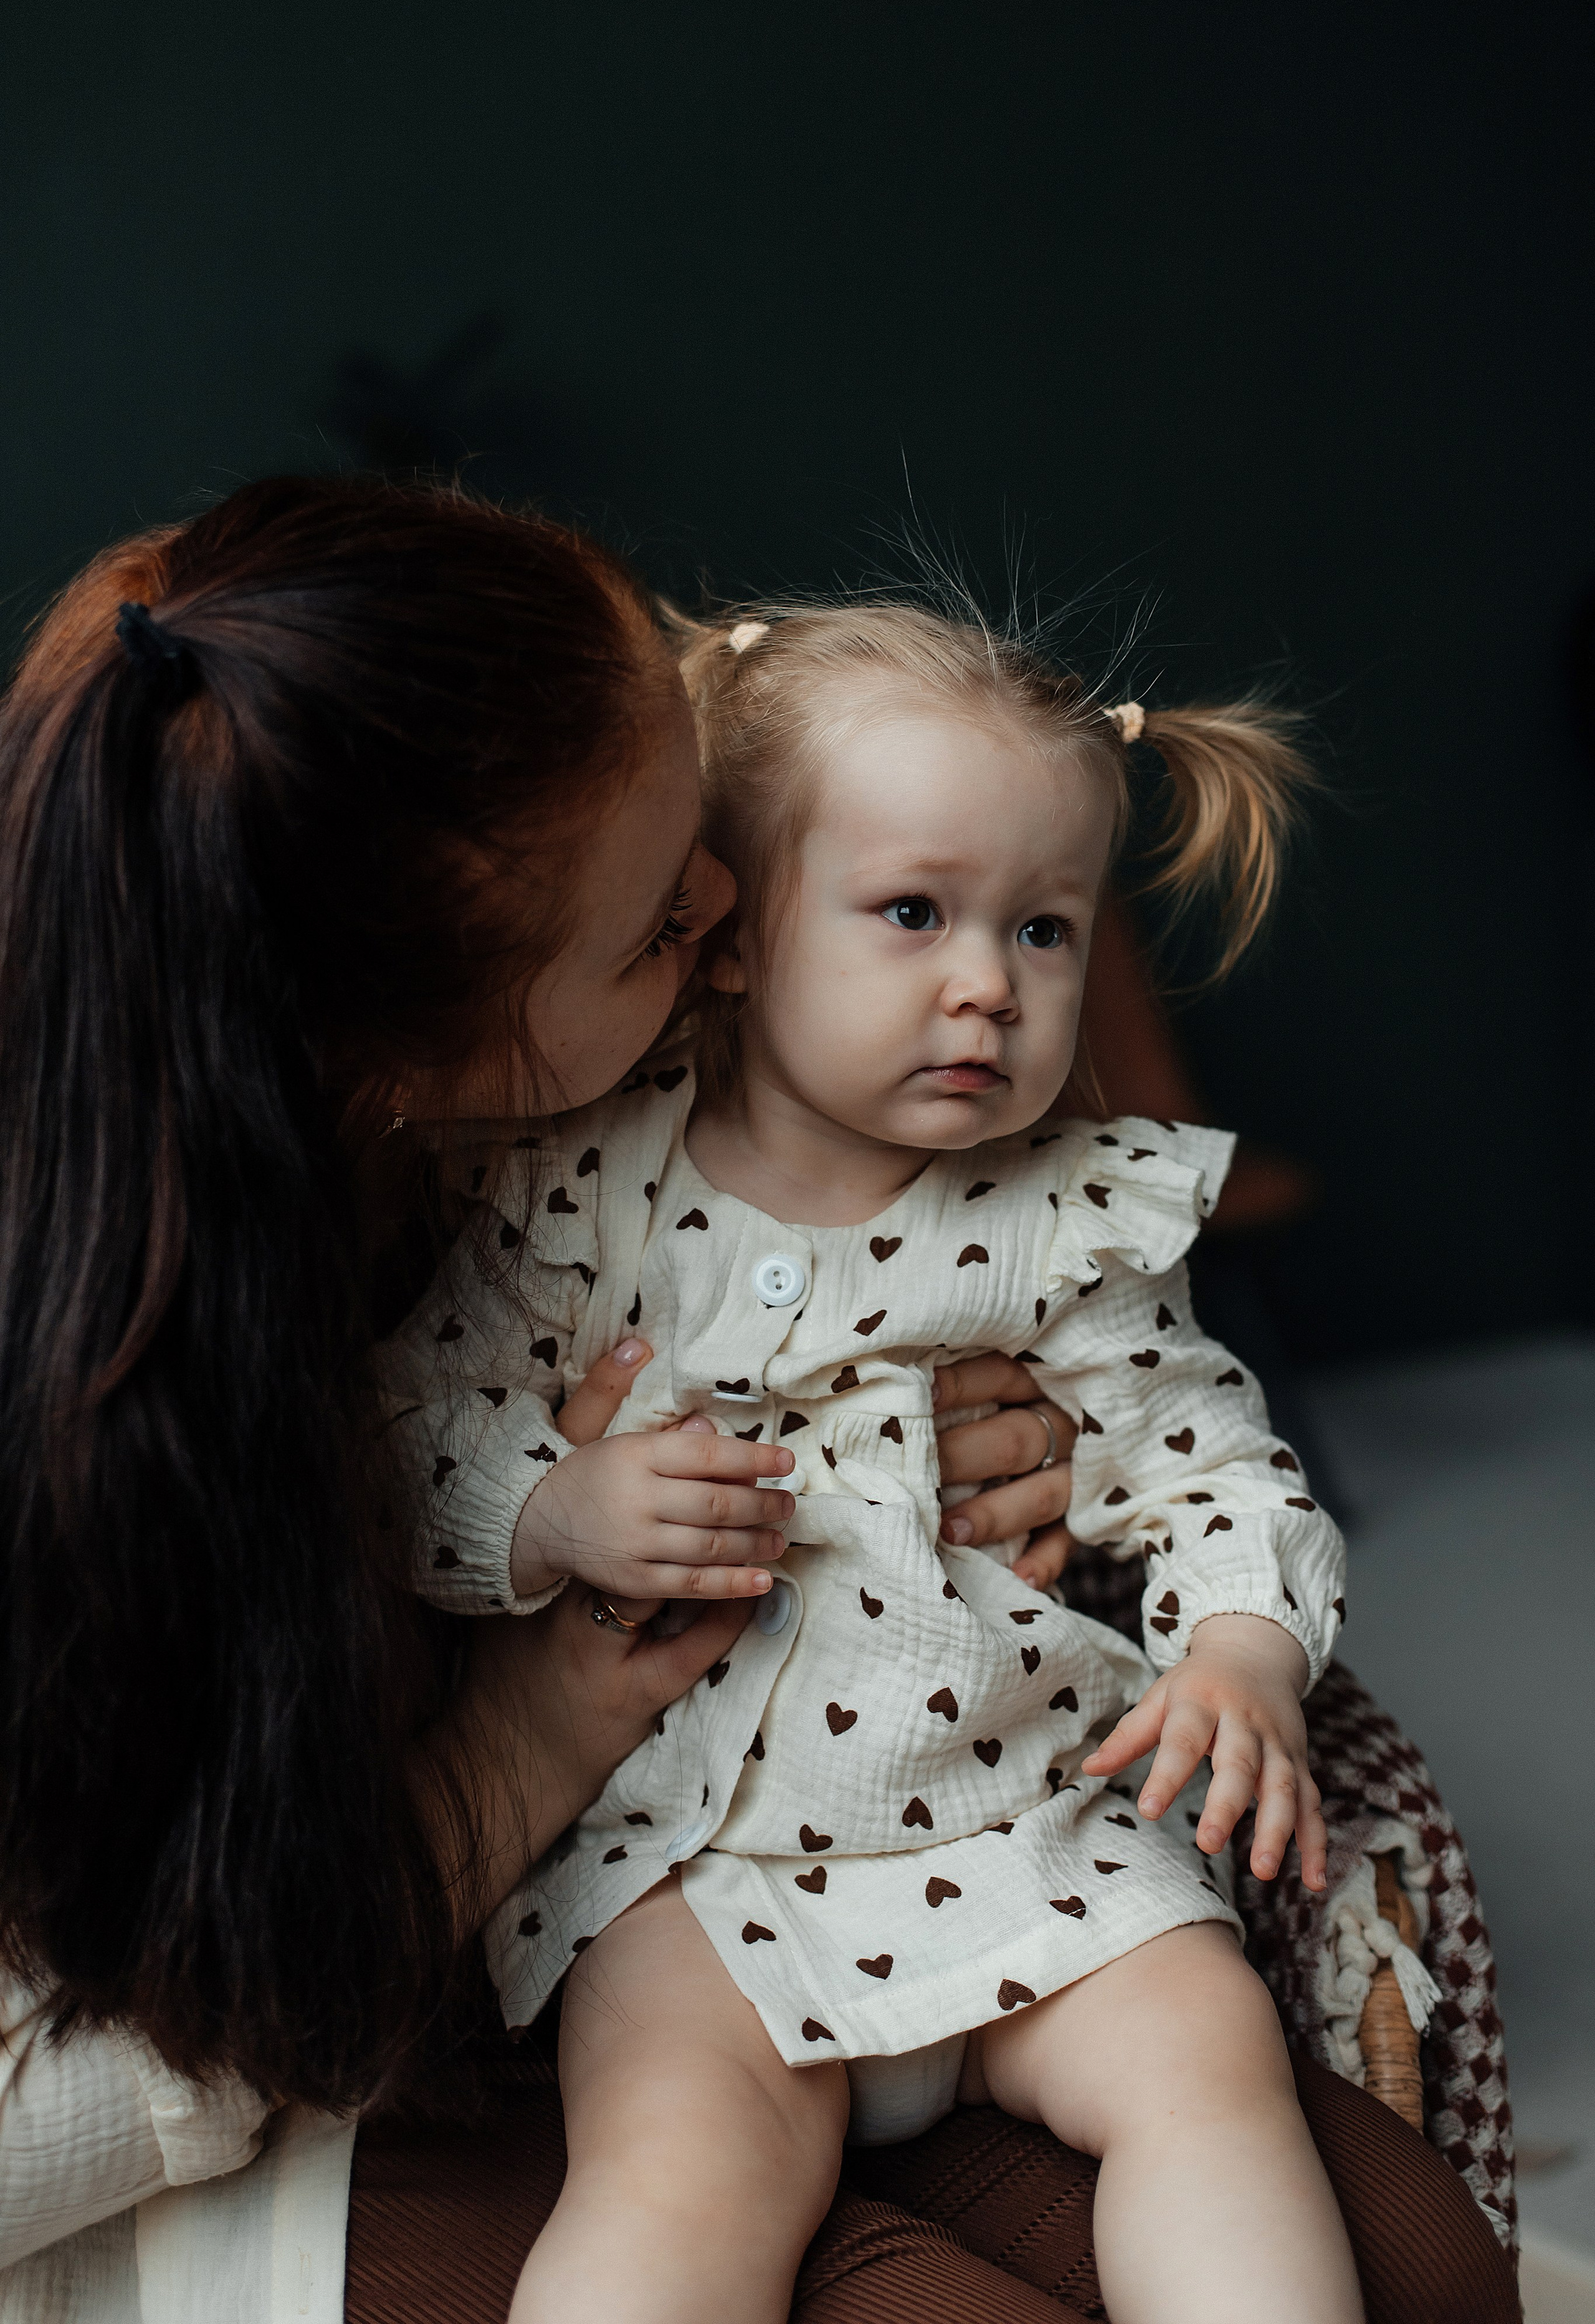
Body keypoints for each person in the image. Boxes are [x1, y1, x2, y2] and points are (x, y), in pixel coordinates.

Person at [0, 478, 1074, 2321]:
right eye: (661, 925)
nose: (731, 910)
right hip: (277, 2067)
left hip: (715, 1882)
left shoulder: (524, 1107)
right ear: (402, 1067)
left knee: (1403, 2262)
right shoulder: (85, 1462)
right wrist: (524, 1745)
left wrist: (1002, 1448)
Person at [386, 602, 1361, 2324]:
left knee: (1215, 2072)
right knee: (671, 2181)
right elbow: (411, 1429)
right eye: (914, 913)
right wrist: (551, 1511)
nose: (988, 981)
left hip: (1033, 1825)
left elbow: (1211, 1455)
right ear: (733, 935)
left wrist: (1239, 1649)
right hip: (701, 1867)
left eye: (1044, 930)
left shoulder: (1067, 1220)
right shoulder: (583, 1193)